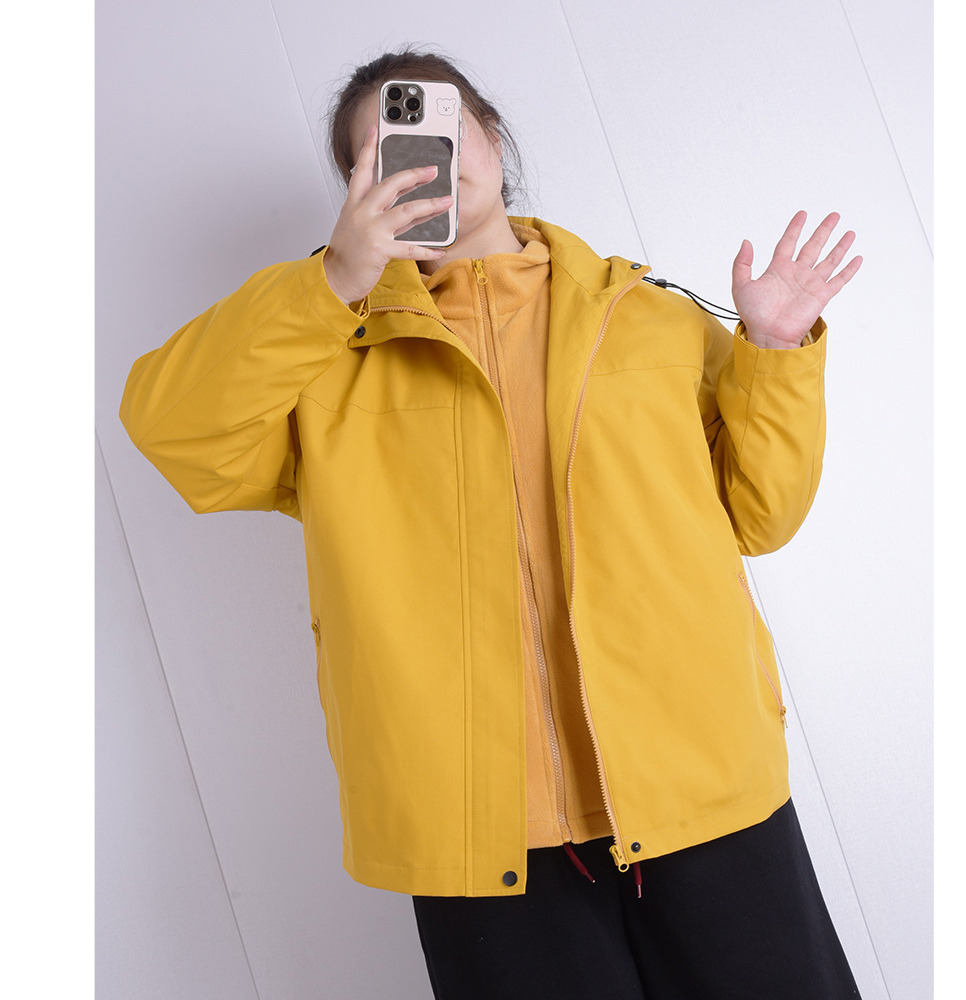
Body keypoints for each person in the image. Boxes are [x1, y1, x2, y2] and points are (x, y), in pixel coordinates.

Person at [119, 46, 864, 1000]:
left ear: (493, 138)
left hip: (704, 785)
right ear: (359, 187)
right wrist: (332, 282)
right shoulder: (325, 357)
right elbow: (173, 429)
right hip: (475, 822)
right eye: (385, 146)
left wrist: (775, 350)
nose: (423, 155)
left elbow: (761, 513)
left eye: (444, 125)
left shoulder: (647, 319)